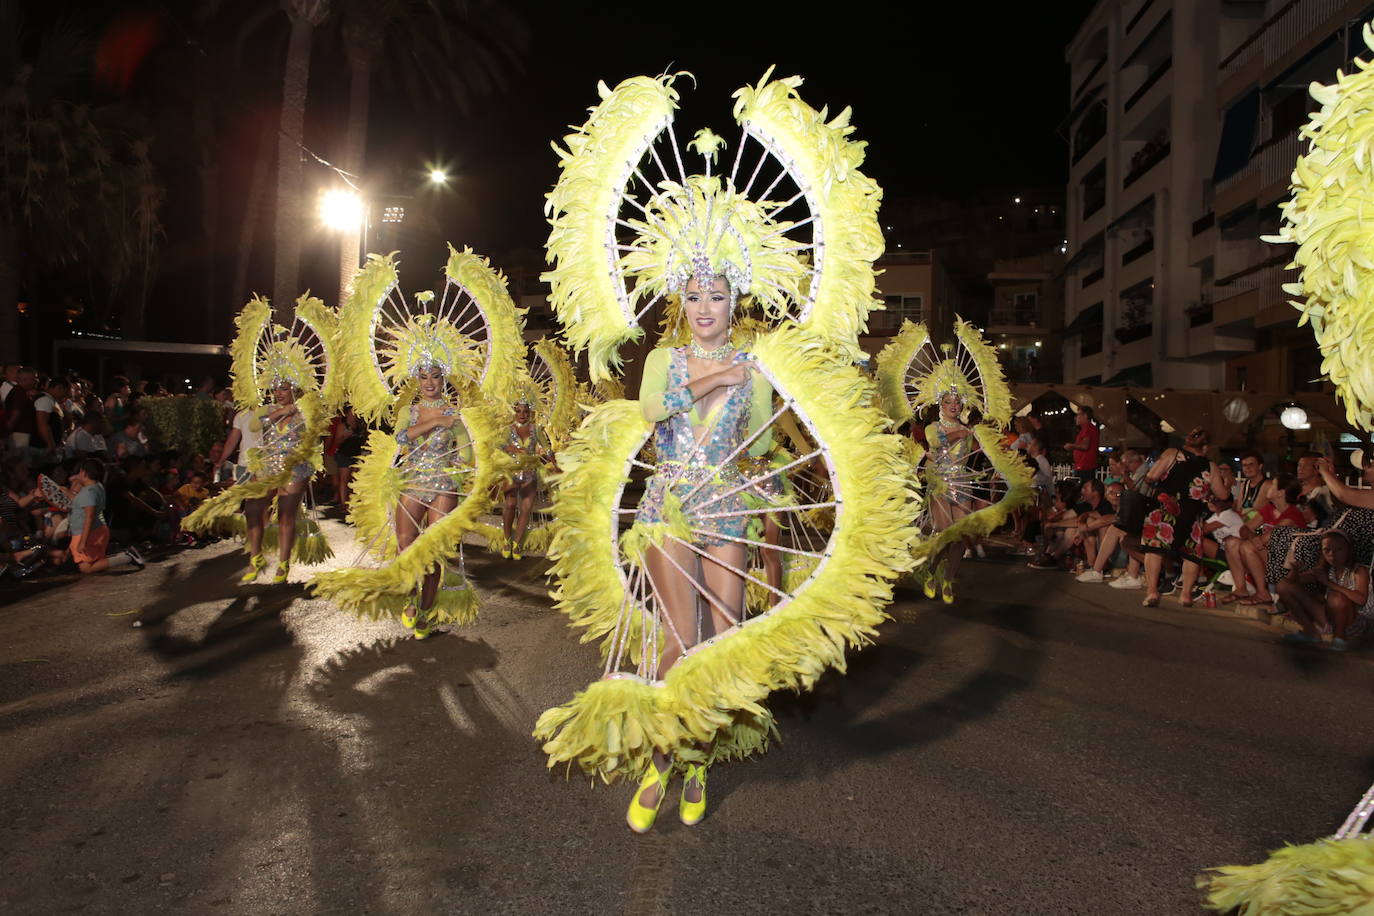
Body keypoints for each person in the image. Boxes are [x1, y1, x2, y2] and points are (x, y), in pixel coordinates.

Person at [1137, 427, 1231, 607]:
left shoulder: (1172, 453)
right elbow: (1223, 495)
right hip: (1192, 513)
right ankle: (1186, 594)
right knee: (1191, 553)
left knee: (1155, 549)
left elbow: (1151, 476)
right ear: (1206, 447)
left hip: (1164, 508)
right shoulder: (1210, 466)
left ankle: (1152, 592)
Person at [1276, 530, 1370, 650]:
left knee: (1335, 597)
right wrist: (1294, 570)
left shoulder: (1358, 570)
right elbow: (1289, 585)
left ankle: (1340, 638)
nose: (1332, 554)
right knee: (1283, 585)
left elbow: (1361, 599)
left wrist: (1328, 583)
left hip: (1353, 622)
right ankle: (1310, 632)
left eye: (1338, 550)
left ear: (1348, 550)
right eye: (1327, 550)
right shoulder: (1324, 570)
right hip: (1329, 620)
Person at [66, 458, 143, 574]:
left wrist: (83, 541)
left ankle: (127, 557)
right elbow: (79, 502)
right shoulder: (97, 487)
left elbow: (89, 516)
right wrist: (66, 491)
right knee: (96, 562)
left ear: (84, 473)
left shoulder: (88, 493)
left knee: (86, 568)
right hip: (97, 530)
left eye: (80, 472)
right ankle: (124, 555)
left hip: (87, 533)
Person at [499, 398, 552, 559]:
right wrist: (512, 448)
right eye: (519, 411)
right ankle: (507, 538)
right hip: (511, 472)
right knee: (510, 504)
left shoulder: (536, 430)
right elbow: (498, 445)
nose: (522, 414)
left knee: (526, 508)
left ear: (530, 413)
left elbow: (548, 448)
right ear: (514, 412)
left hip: (529, 473)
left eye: (525, 411)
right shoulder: (508, 430)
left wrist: (554, 463)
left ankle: (517, 543)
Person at [1070, 405, 1101, 484]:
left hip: (1084, 467)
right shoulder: (1085, 429)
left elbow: (1085, 446)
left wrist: (1071, 446)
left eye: (1078, 414)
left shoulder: (1088, 428)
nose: (1076, 417)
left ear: (1085, 416)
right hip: (1083, 466)